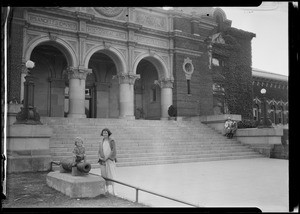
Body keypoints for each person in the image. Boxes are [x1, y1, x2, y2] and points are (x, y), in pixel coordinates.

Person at [98, 128, 117, 196]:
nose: (105, 134)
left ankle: (114, 190)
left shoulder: (111, 140)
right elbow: (99, 150)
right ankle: (107, 189)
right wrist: (100, 157)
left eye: (106, 132)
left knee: (111, 174)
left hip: (110, 160)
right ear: (102, 134)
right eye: (103, 133)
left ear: (108, 133)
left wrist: (107, 158)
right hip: (103, 160)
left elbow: (113, 150)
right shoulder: (101, 141)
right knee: (104, 175)